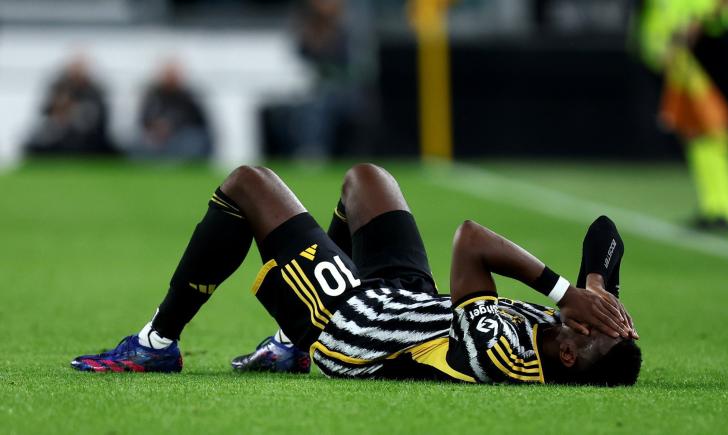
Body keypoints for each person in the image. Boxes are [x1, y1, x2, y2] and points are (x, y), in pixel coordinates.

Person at [71, 164, 640, 386]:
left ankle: (157, 343)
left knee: (248, 183)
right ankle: (281, 346)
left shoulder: (501, 354)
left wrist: (567, 290)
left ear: (567, 355)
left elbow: (470, 240)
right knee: (367, 179)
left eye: (591, 329)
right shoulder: (578, 331)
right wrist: (596, 289)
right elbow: (606, 231)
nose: (591, 320)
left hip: (351, 324)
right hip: (410, 305)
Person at [634, 0, 728, 230]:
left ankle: (726, 207)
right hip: (685, 57)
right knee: (697, 133)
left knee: (713, 131)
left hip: (705, 50)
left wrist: (693, 27)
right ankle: (714, 205)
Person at [25, 56, 116, 156]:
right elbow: (44, 111)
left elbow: (99, 118)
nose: (76, 73)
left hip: (88, 138)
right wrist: (58, 110)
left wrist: (74, 111)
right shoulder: (59, 87)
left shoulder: (95, 90)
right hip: (58, 134)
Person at [133, 61, 213, 160]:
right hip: (158, 139)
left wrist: (171, 126)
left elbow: (196, 120)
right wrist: (156, 127)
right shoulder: (153, 95)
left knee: (191, 140)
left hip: (182, 136)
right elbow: (144, 119)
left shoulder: (187, 96)